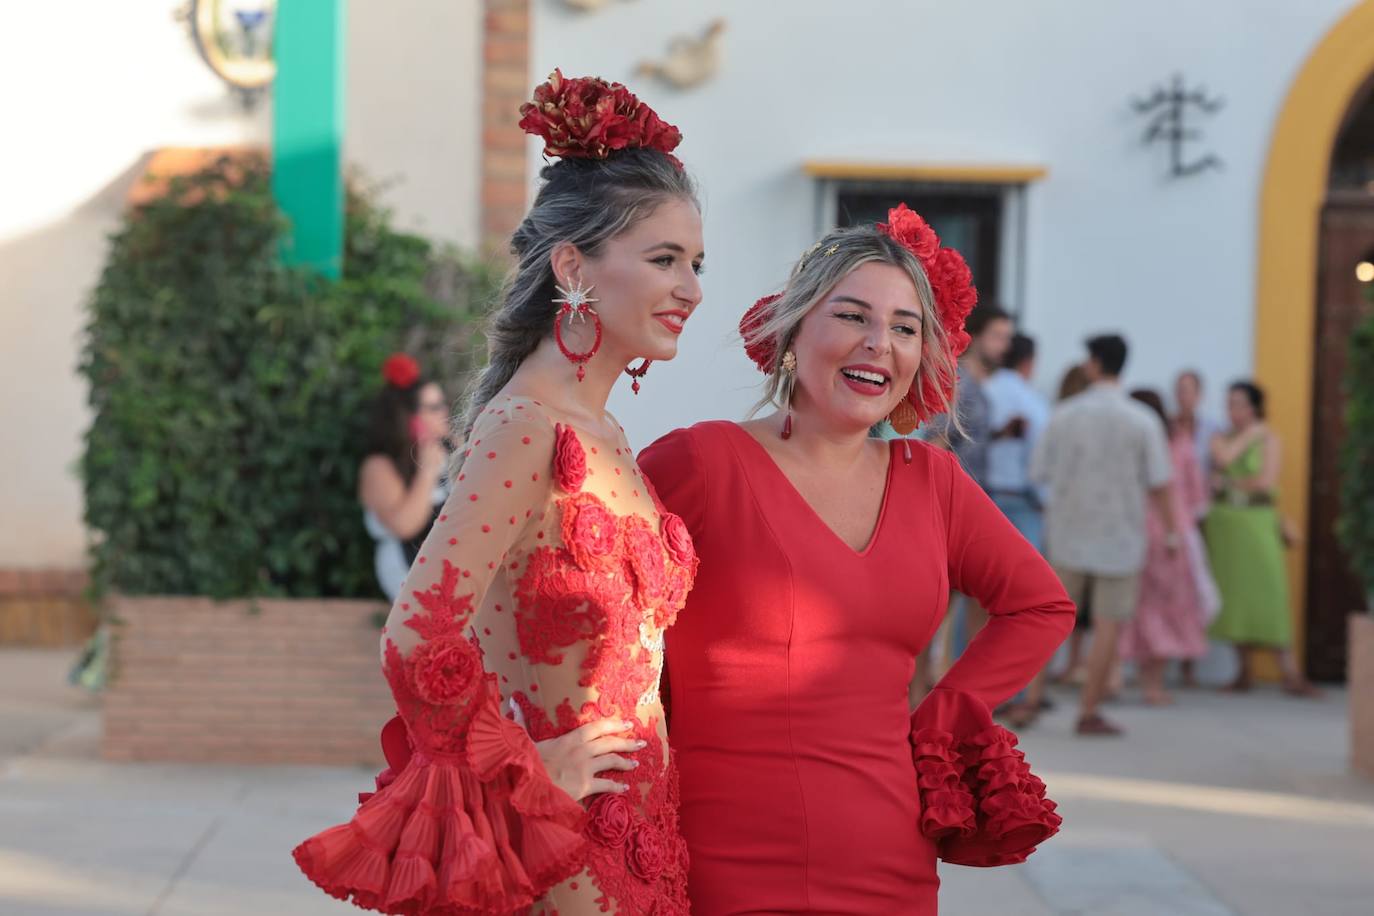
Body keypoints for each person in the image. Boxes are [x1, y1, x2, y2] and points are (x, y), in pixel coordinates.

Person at [293, 71, 704, 914]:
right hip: (565, 842)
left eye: (697, 263)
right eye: (664, 259)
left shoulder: (608, 437)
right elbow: (417, 636)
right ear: (572, 267)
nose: (691, 288)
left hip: (652, 833)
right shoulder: (526, 428)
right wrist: (521, 764)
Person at [639, 205, 1074, 915]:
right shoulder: (703, 461)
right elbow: (586, 599)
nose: (880, 344)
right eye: (851, 317)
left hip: (888, 856)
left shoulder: (933, 481)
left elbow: (1040, 606)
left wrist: (946, 716)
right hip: (717, 854)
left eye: (905, 328)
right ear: (793, 329)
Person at [1031, 334, 1180, 736]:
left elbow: (1038, 471)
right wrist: (1170, 534)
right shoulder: (1142, 420)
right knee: (1109, 625)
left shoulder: (1064, 414)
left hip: (1067, 532)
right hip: (1121, 537)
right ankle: (1088, 710)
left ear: (1094, 364)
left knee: (1048, 621)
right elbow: (1162, 483)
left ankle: (1029, 701)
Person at [1205, 381, 1319, 696]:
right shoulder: (1223, 437)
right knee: (1235, 596)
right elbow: (1224, 460)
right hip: (1227, 527)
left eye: (1239, 403)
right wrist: (1246, 447)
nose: (1233, 410)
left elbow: (1264, 480)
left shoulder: (1267, 437)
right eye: (1229, 403)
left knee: (1270, 594)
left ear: (1254, 406)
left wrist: (1228, 480)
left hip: (1257, 524)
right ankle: (1243, 670)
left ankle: (1291, 673)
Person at [1117, 389, 1216, 705]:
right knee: (1166, 606)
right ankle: (1153, 683)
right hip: (1172, 532)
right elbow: (1195, 494)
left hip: (1136, 529)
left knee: (1136, 606)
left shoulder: (1133, 443)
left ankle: (1125, 676)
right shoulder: (1179, 444)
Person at [358, 354, 451, 601]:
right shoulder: (379, 466)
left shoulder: (452, 450)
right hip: (408, 568)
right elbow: (404, 525)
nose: (445, 411)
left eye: (443, 403)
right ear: (410, 418)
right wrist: (427, 472)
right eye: (433, 407)